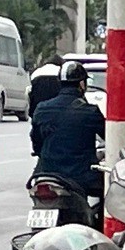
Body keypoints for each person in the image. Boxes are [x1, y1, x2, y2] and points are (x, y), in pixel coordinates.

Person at [30, 58, 105, 222]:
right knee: (108, 193)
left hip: (45, 172)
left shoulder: (42, 108)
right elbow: (108, 137)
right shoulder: (89, 111)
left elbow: (36, 141)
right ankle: (97, 227)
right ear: (82, 84)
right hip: (79, 176)